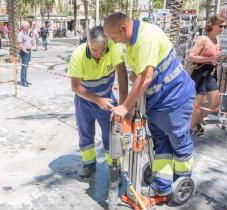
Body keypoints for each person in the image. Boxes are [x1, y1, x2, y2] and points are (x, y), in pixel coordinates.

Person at [104, 13, 195, 197]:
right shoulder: (131, 43)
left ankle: (183, 179)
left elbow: (145, 78)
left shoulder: (146, 37)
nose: (114, 42)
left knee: (178, 140)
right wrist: (131, 104)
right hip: (157, 103)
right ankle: (162, 184)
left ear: (123, 28)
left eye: (114, 37)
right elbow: (136, 76)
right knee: (160, 142)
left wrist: (125, 106)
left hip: (175, 98)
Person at [68, 26, 128, 178]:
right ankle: (89, 164)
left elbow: (122, 74)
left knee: (111, 136)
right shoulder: (78, 54)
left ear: (107, 42)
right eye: (95, 50)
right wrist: (97, 100)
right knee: (85, 134)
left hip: (107, 99)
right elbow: (75, 86)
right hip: (84, 101)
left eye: (103, 49)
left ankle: (114, 168)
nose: (100, 54)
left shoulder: (113, 47)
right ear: (88, 43)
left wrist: (122, 104)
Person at [188, 14, 227, 136]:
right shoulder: (203, 39)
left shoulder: (217, 40)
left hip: (211, 73)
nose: (222, 29)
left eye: (224, 27)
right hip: (200, 73)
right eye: (221, 26)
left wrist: (215, 60)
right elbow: (191, 56)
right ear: (213, 25)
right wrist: (210, 58)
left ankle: (194, 123)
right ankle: (190, 129)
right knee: (198, 104)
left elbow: (213, 58)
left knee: (215, 102)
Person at [17, 21, 32, 87]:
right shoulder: (21, 34)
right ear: (24, 27)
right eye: (28, 26)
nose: (29, 27)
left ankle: (25, 80)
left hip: (28, 51)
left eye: (29, 26)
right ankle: (23, 82)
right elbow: (20, 44)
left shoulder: (26, 33)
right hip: (24, 52)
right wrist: (26, 51)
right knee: (24, 67)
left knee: (26, 67)